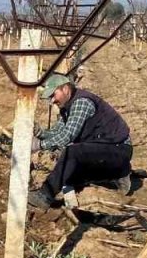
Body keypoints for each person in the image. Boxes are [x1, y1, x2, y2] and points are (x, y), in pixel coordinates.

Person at [28, 73, 133, 209]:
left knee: (72, 152)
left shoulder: (81, 103)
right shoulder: (67, 107)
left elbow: (67, 136)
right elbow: (57, 132)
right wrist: (40, 134)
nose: (52, 101)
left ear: (65, 89)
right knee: (71, 173)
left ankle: (45, 195)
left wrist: (39, 145)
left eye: (53, 95)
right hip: (104, 149)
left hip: (118, 149)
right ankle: (116, 175)